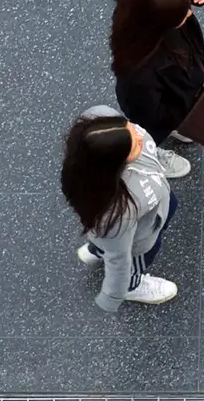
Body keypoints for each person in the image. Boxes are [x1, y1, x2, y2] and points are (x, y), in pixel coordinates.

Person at [106, 0, 204, 175]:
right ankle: (150, 155)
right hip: (165, 107)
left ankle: (182, 125)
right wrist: (187, 109)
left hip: (182, 82)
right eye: (183, 14)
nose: (190, 13)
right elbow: (149, 116)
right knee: (148, 136)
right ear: (162, 24)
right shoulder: (139, 71)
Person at [61, 107, 179, 309]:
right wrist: (112, 296)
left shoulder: (103, 124)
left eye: (132, 129)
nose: (140, 139)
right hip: (140, 239)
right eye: (134, 147)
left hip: (152, 207)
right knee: (131, 258)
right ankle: (132, 286)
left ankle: (98, 249)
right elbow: (120, 261)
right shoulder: (118, 212)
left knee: (111, 241)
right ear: (115, 163)